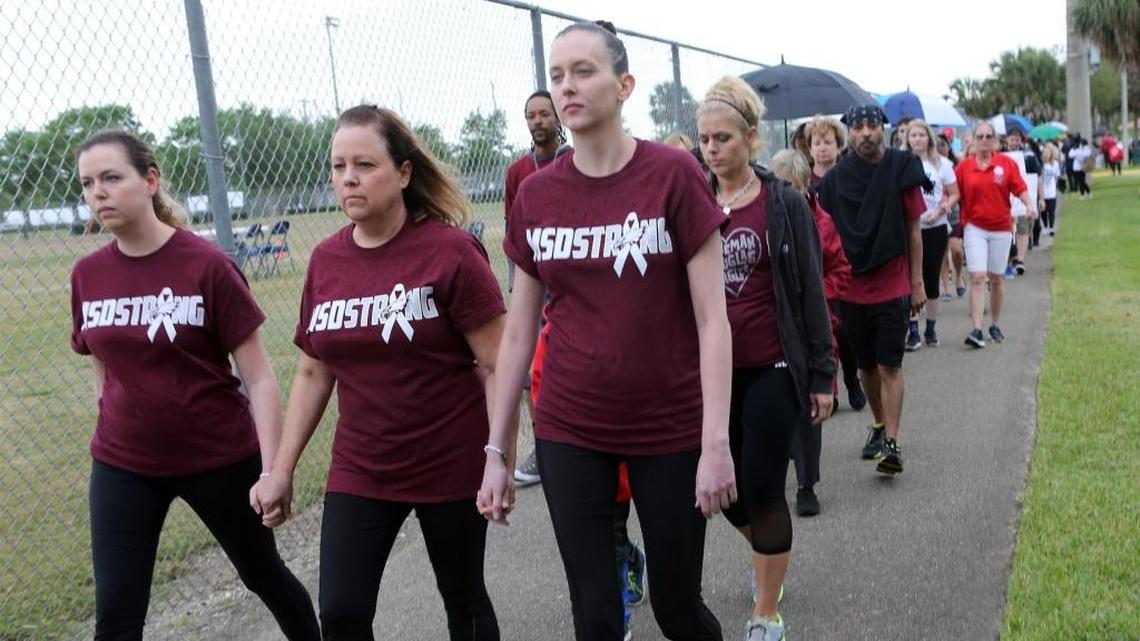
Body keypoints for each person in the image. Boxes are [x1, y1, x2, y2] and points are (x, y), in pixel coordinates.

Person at [479, 20, 736, 641]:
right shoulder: (536, 197)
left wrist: (716, 443)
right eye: (557, 76)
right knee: (595, 614)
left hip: (670, 424)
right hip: (572, 425)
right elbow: (516, 334)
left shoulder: (673, 176)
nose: (567, 87)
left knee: (676, 608)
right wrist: (498, 451)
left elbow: (712, 320)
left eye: (584, 72)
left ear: (624, 85)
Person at [256, 105, 506, 640]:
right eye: (338, 166)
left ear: (404, 173)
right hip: (363, 467)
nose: (348, 177)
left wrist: (498, 457)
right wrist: (280, 468)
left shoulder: (451, 252)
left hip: (451, 461)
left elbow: (497, 364)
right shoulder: (326, 261)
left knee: (463, 601)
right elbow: (312, 372)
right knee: (342, 613)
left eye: (365, 165)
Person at [69, 130, 319, 641]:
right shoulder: (87, 274)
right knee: (116, 616)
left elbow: (259, 377)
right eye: (88, 183)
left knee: (262, 577)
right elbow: (102, 365)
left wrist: (272, 469)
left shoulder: (206, 265)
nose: (99, 192)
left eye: (112, 178)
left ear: (150, 180)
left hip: (218, 458)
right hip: (124, 465)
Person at [699, 80, 835, 640]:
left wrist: (823, 374)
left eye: (724, 138)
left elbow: (809, 289)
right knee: (723, 496)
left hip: (773, 367)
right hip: (709, 372)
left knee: (761, 488)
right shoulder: (693, 199)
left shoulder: (782, 202)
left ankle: (766, 610)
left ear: (751, 139)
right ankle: (770, 556)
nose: (712, 148)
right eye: (705, 138)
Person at [816, 104, 931, 476]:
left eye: (871, 125)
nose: (865, 132)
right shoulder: (834, 182)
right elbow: (827, 237)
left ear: (882, 129)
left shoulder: (901, 168)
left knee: (890, 365)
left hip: (892, 280)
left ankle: (892, 443)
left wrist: (917, 283)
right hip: (851, 288)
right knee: (866, 366)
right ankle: (880, 423)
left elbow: (915, 232)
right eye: (858, 126)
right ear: (848, 132)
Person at [769, 148, 851, 519]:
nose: (783, 193)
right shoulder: (764, 218)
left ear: (806, 188)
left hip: (811, 325)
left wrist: (818, 292)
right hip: (773, 328)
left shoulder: (822, 223)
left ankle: (806, 484)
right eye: (777, 185)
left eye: (791, 186)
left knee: (808, 409)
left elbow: (840, 271)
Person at [504, 90, 572, 487]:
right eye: (531, 115)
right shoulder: (518, 171)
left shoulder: (571, 160)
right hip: (532, 279)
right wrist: (518, 290)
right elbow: (514, 232)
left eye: (544, 114)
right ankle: (544, 447)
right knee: (532, 367)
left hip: (565, 275)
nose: (537, 121)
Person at [955, 120, 1033, 348]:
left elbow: (1020, 188)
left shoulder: (1006, 164)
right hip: (974, 228)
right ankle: (977, 329)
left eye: (987, 136)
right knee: (978, 277)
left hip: (1000, 227)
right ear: (973, 139)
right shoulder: (964, 167)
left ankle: (995, 324)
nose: (983, 140)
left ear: (994, 140)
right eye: (979, 136)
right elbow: (953, 192)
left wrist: (1029, 205)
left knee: (996, 279)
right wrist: (942, 206)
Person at [806, 115, 865, 411]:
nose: (822, 148)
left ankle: (852, 378)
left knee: (843, 330)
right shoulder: (805, 180)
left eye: (828, 142)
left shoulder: (845, 176)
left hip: (840, 259)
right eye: (817, 143)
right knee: (822, 331)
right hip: (813, 260)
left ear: (838, 145)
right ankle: (830, 387)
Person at [903, 119, 959, 349]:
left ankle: (931, 328)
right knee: (908, 279)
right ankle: (913, 330)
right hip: (908, 227)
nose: (917, 139)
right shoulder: (901, 163)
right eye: (913, 135)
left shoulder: (942, 164)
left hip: (935, 226)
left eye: (921, 135)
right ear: (907, 139)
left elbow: (955, 194)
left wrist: (942, 208)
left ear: (929, 138)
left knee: (931, 278)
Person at [1002, 130, 1042, 274]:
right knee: (1007, 231)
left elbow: (1037, 178)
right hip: (1006, 199)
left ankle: (1020, 259)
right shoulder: (1000, 156)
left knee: (1022, 229)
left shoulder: (1029, 156)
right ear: (1007, 140)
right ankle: (1008, 258)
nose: (1014, 142)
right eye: (1012, 139)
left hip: (1024, 197)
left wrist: (1040, 198)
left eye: (1017, 139)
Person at [936, 133, 967, 298]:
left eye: (942, 144)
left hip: (954, 212)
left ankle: (959, 275)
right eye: (936, 145)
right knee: (941, 251)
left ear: (949, 146)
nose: (939, 148)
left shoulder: (956, 165)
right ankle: (946, 287)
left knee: (956, 249)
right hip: (937, 214)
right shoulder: (929, 166)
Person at [1039, 143, 1061, 237]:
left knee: (1051, 211)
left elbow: (1056, 176)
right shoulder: (1040, 164)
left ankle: (1051, 227)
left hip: (1051, 191)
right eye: (1044, 152)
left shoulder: (1055, 164)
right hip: (1042, 192)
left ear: (1051, 154)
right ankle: (1046, 226)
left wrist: (1054, 185)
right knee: (1043, 211)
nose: (1046, 154)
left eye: (1048, 152)